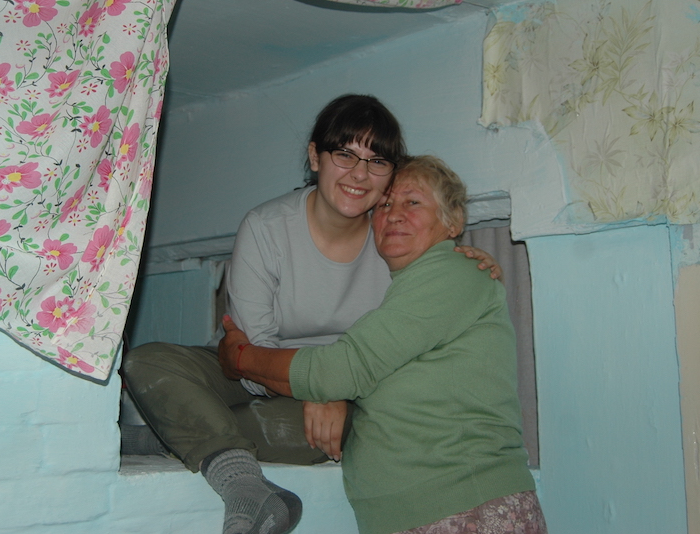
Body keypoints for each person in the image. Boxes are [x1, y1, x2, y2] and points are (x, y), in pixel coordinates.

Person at [122, 97, 500, 534]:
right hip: (252, 371)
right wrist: (322, 385)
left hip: (343, 392)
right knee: (147, 362)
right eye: (344, 155)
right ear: (315, 156)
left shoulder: (394, 240)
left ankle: (176, 437)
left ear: (391, 174)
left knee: (299, 432)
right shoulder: (266, 227)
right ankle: (240, 479)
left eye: (377, 161)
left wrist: (464, 254)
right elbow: (250, 358)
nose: (359, 174)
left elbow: (397, 345)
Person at [218, 155, 545, 534]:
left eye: (413, 202)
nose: (394, 213)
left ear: (453, 221)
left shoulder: (451, 274)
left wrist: (241, 357)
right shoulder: (407, 291)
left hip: (464, 506)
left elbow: (342, 369)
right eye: (385, 204)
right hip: (420, 513)